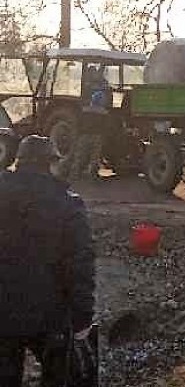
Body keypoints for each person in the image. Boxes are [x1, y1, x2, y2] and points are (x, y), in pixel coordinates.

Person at [0, 135, 95, 387]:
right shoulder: (67, 203)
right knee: (59, 377)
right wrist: (83, 317)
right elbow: (80, 264)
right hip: (49, 315)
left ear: (17, 162)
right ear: (49, 163)